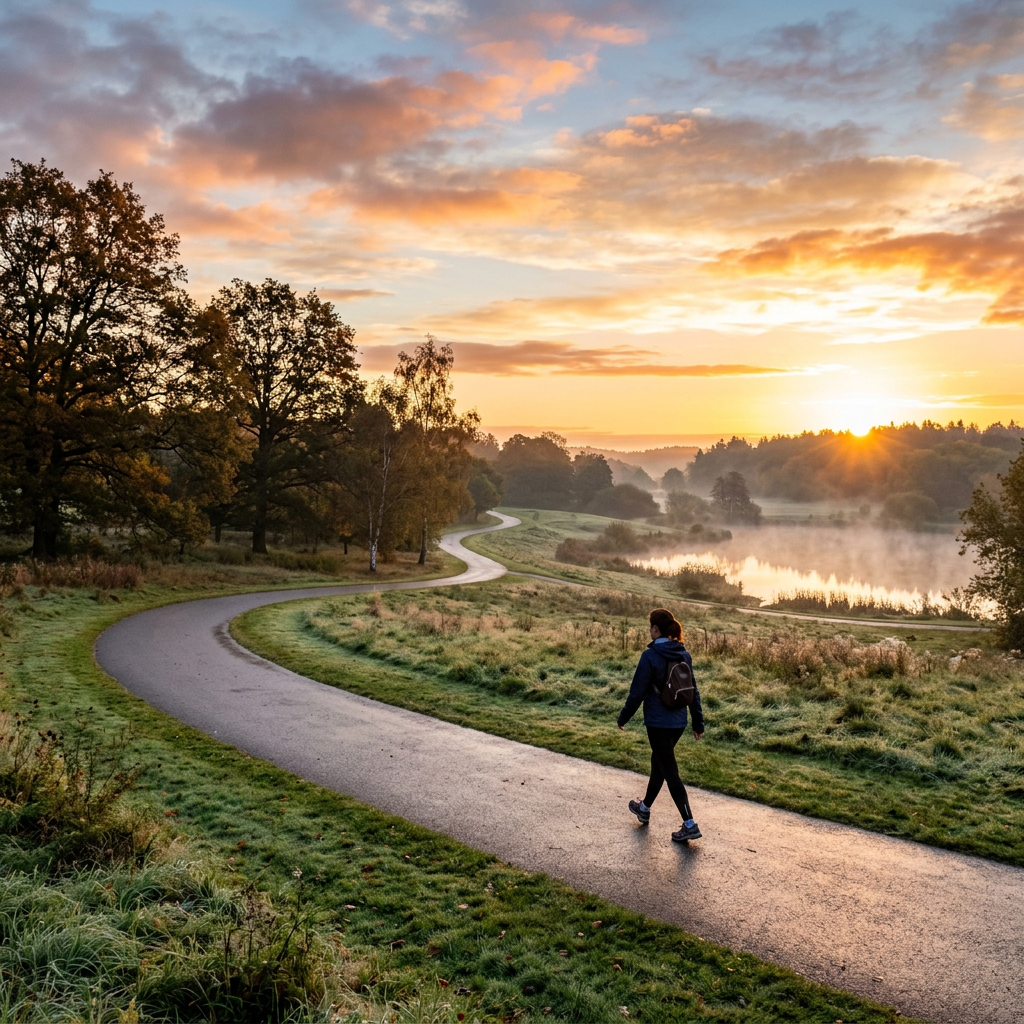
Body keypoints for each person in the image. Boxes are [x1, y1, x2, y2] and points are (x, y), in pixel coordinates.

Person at [617, 608, 705, 842]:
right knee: (659, 764)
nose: (650, 631)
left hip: (657, 723)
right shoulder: (683, 654)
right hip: (679, 722)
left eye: (650, 627)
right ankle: (644, 809)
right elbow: (693, 691)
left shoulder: (651, 656)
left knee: (670, 771)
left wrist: (623, 717)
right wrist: (698, 722)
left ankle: (689, 823)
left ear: (656, 629)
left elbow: (637, 692)